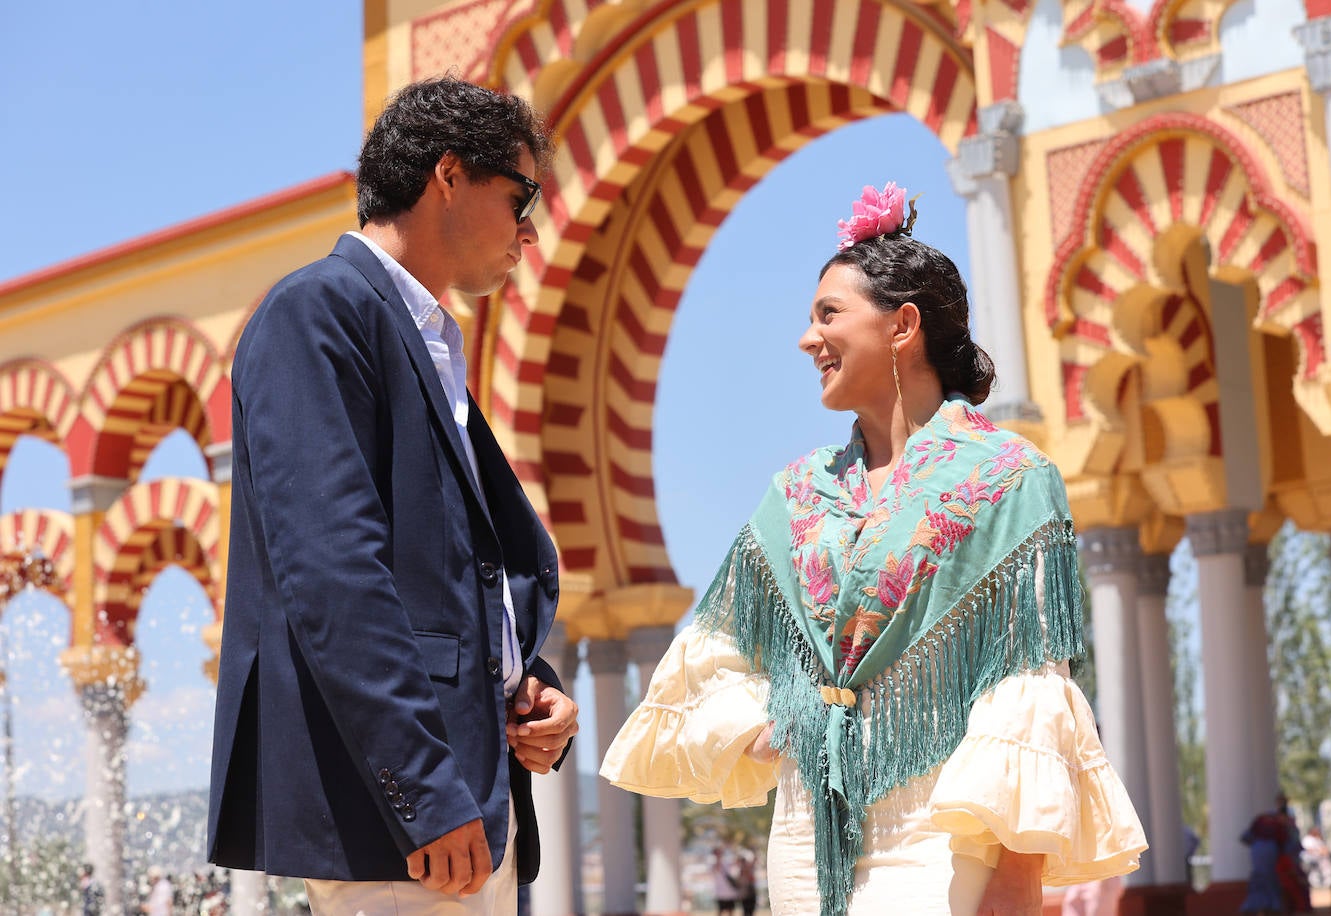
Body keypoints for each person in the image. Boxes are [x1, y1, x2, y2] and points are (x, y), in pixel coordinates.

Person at [601, 182, 1147, 916]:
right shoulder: (794, 494)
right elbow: (716, 651)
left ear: (903, 326)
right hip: (804, 835)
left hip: (940, 833)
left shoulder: (1008, 479)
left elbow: (1031, 684)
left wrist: (1018, 879)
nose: (807, 338)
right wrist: (773, 725)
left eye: (829, 313)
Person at [207, 76, 579, 912]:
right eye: (520, 195)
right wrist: (420, 788)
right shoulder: (319, 310)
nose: (529, 228)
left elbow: (443, 576)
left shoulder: (419, 334)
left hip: (464, 803)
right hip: (404, 825)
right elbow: (334, 575)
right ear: (448, 174)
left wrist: (526, 684)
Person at [1242, 793, 1310, 914]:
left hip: (1261, 852)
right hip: (1272, 854)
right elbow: (1293, 844)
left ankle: (1256, 907)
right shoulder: (1284, 821)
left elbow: (1246, 837)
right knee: (1270, 879)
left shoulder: (1265, 818)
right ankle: (1269, 907)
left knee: (1261, 879)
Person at [712, 845, 741, 914]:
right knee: (720, 911)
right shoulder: (713, 864)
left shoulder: (726, 862)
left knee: (730, 912)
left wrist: (733, 849)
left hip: (730, 893)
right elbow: (716, 868)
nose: (719, 854)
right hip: (720, 894)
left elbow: (737, 863)